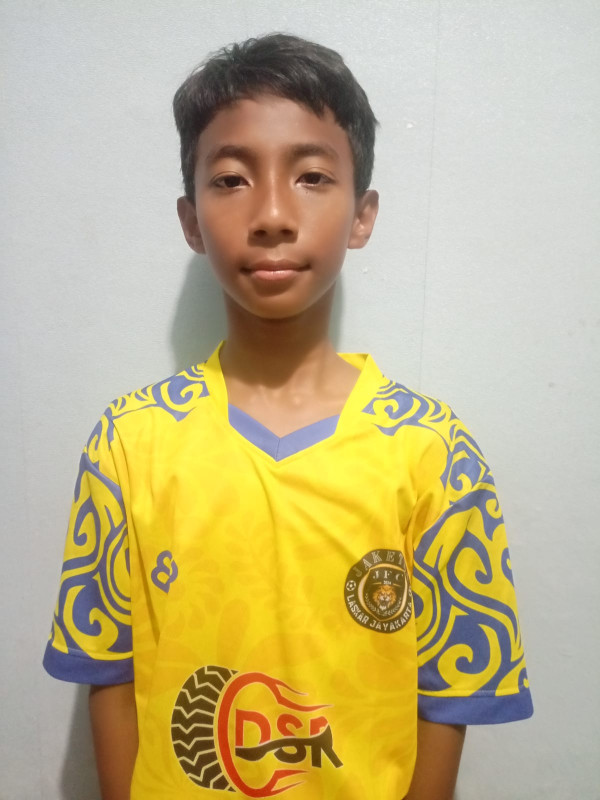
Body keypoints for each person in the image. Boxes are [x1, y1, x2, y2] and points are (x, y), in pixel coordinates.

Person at [43, 33, 533, 800]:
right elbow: (111, 672)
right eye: (232, 179)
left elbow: (447, 697)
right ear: (191, 220)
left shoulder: (434, 454)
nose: (272, 213)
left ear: (362, 215)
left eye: (311, 177)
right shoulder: (130, 443)